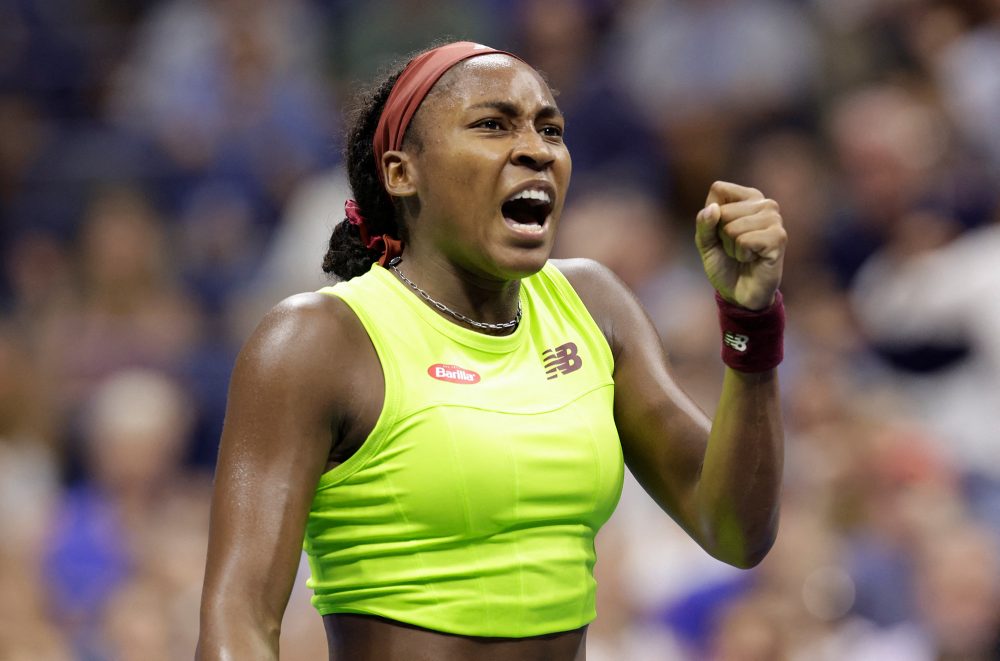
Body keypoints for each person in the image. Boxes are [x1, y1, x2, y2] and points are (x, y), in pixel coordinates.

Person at [197, 41, 787, 660]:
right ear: (402, 173)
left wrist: (750, 323)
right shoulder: (319, 339)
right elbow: (239, 618)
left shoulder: (593, 303)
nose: (535, 149)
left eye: (550, 129)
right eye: (492, 125)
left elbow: (737, 531)